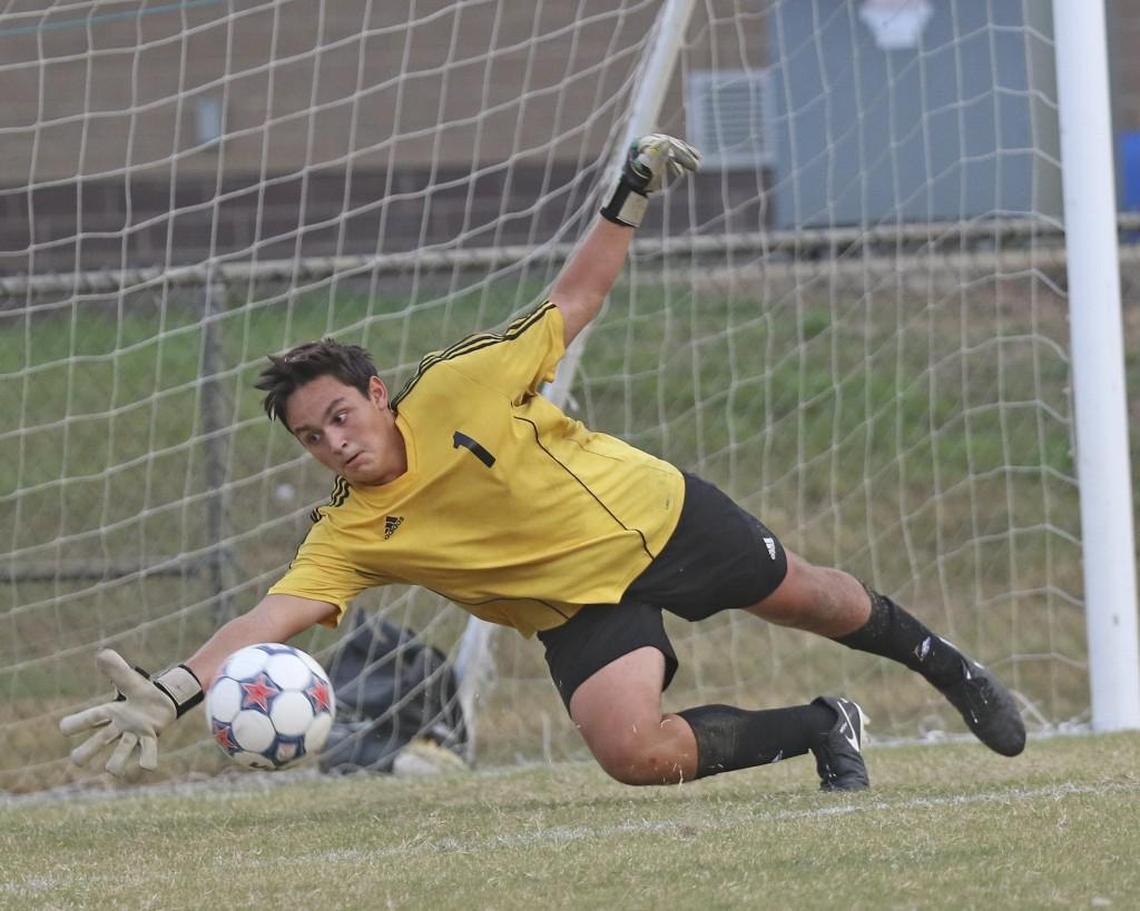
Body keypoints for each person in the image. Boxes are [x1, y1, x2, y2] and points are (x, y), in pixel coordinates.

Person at [59, 134, 1025, 791]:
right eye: (311, 437)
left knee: (814, 599)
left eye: (341, 416)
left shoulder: (463, 383)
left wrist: (630, 194)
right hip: (574, 608)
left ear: (380, 394)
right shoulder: (348, 531)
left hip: (650, 516)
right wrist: (179, 687)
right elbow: (265, 615)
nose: (334, 443)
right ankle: (823, 724)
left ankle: (946, 663)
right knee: (634, 754)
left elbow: (574, 298)